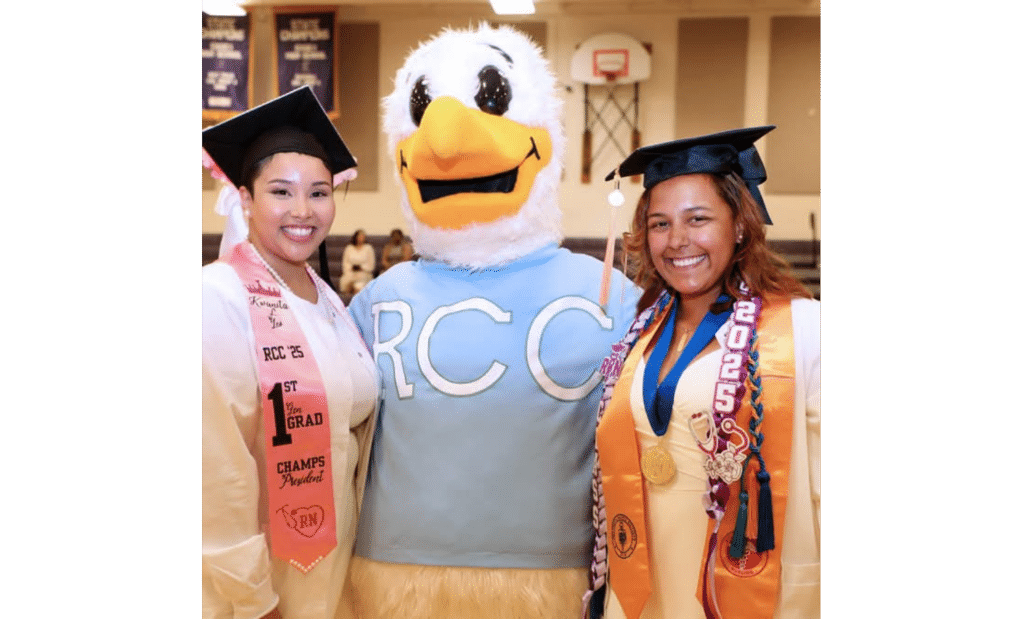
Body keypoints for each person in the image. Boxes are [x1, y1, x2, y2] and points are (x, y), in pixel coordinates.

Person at [583, 126, 820, 619]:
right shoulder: (643, 333)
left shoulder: (803, 328)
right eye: (660, 224)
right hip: (645, 587)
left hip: (751, 587)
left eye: (698, 219)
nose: (677, 241)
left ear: (738, 224)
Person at [201, 86, 379, 619]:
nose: (303, 211)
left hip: (335, 571)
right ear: (246, 199)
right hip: (258, 587)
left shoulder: (326, 298)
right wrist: (253, 598)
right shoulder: (220, 296)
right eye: (281, 191)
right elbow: (216, 467)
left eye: (319, 193)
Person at [338, 229, 375, 294]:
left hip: (364, 273)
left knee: (359, 284)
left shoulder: (368, 248)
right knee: (345, 281)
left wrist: (361, 267)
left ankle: (356, 292)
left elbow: (371, 264)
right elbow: (345, 262)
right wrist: (351, 268)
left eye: (363, 236)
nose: (361, 238)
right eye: (359, 236)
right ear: (355, 237)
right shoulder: (349, 248)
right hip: (351, 272)